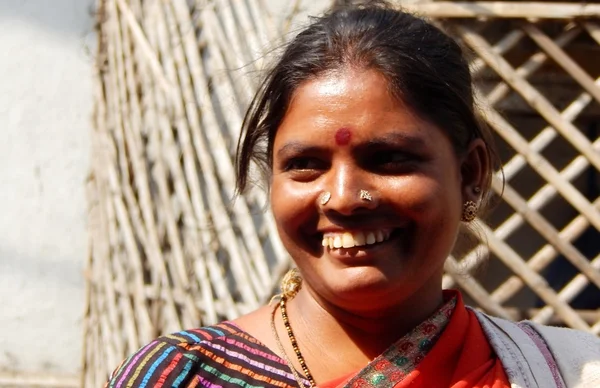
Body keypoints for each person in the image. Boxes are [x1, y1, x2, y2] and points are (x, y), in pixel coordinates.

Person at [105, 1, 600, 387]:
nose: (342, 198)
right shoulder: (182, 376)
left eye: (388, 159)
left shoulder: (572, 373)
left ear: (471, 173)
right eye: (305, 166)